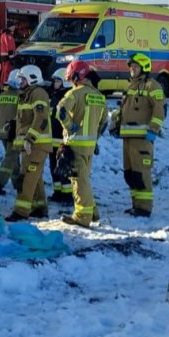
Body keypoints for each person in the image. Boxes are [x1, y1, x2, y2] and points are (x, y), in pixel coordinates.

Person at [56, 60, 108, 227]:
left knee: (79, 181)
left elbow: (60, 111)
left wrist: (70, 127)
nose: (71, 82)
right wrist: (95, 137)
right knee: (84, 179)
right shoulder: (99, 96)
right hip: (90, 146)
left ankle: (81, 217)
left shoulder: (75, 93)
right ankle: (93, 213)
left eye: (72, 78)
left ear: (78, 76)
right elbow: (104, 123)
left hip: (75, 144)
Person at [114, 52, 165, 217]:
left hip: (143, 139)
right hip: (127, 139)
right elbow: (123, 110)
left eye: (135, 66)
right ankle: (136, 204)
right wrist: (116, 124)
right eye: (131, 67)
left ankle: (144, 208)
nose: (132, 69)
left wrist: (153, 130)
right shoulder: (130, 86)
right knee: (130, 174)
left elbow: (160, 110)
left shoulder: (152, 86)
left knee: (141, 173)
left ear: (144, 68)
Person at [4, 65, 52, 222]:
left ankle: (21, 211)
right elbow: (25, 120)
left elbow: (41, 118)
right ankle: (39, 208)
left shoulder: (38, 93)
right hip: (30, 145)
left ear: (31, 78)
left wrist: (30, 139)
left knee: (27, 179)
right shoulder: (26, 95)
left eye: (23, 79)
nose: (20, 82)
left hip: (36, 145)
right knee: (35, 178)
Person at [0, 69, 22, 195]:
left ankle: (18, 184)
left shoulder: (1, 96)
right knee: (11, 158)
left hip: (2, 132)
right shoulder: (19, 97)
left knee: (13, 158)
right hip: (13, 133)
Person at [47, 73, 73, 204]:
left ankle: (67, 196)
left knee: (63, 168)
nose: (55, 83)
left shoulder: (67, 97)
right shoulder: (54, 96)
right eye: (55, 80)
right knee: (54, 168)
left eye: (58, 80)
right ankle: (57, 192)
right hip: (52, 138)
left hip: (62, 140)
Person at [0, 25, 17, 90]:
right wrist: (12, 58)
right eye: (13, 27)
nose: (14, 28)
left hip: (5, 57)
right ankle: (6, 87)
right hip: (8, 57)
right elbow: (10, 47)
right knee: (7, 72)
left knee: (4, 72)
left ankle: (2, 86)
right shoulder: (8, 35)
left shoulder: (4, 34)